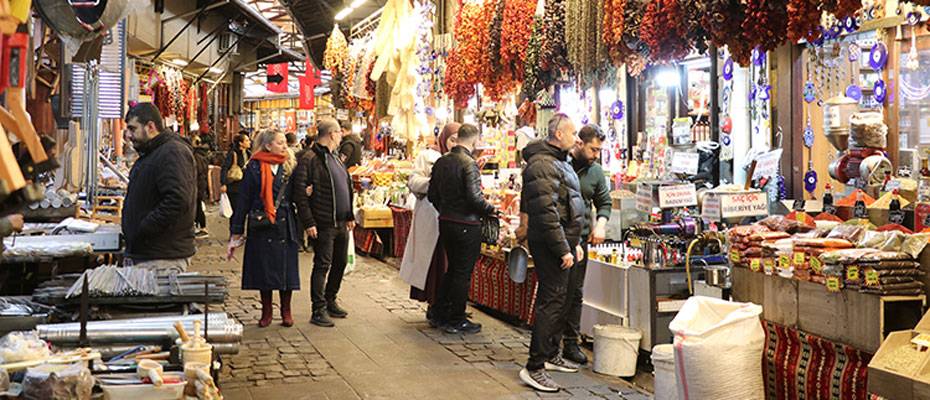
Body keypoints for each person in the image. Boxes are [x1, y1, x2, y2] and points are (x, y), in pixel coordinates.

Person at [518, 113, 586, 392]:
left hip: (565, 242)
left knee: (564, 298)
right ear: (558, 134)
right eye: (572, 133)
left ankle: (551, 355)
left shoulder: (559, 161)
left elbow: (567, 204)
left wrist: (575, 242)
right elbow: (546, 213)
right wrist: (562, 247)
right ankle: (534, 366)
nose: (577, 139)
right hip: (550, 244)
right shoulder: (543, 164)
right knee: (552, 301)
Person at [427, 124, 496, 334]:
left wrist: (446, 210)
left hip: (446, 222)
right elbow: (475, 198)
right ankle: (456, 318)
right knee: (462, 272)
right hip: (467, 224)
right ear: (474, 141)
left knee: (453, 270)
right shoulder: (469, 164)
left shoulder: (442, 161)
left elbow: (432, 195)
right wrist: (491, 209)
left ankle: (440, 312)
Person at [226, 130, 300, 327]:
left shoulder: (290, 166)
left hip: (284, 223)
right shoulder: (253, 167)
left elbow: (297, 195)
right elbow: (244, 200)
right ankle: (266, 311)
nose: (284, 146)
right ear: (268, 146)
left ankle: (286, 310)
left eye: (285, 142)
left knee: (286, 271)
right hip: (262, 223)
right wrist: (237, 229)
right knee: (264, 270)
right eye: (280, 143)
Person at [293, 118, 356, 327]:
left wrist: (349, 215)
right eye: (339, 133)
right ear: (332, 134)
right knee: (322, 264)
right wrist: (308, 221)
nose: (341, 137)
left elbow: (346, 186)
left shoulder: (336, 157)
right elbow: (300, 194)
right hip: (323, 221)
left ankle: (331, 299)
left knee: (341, 262)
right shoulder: (309, 158)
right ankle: (317, 308)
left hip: (341, 222)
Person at [122, 103, 196, 274]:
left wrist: (144, 228)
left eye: (133, 129)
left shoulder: (172, 152)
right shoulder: (153, 152)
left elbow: (177, 200)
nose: (129, 135)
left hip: (161, 256)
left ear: (150, 127)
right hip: (152, 253)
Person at [560, 124, 611, 365]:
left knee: (576, 291)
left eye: (599, 150)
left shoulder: (596, 171)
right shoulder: (561, 164)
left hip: (582, 239)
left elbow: (604, 201)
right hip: (559, 238)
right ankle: (549, 343)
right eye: (593, 149)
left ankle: (571, 342)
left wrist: (600, 225)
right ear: (579, 143)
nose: (596, 155)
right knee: (559, 291)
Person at [403, 123, 459, 320]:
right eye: (452, 139)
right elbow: (413, 181)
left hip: (454, 221)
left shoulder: (462, 159)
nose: (454, 144)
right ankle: (434, 305)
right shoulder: (428, 156)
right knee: (435, 265)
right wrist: (435, 183)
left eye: (458, 140)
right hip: (432, 218)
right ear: (443, 139)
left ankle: (449, 305)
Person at [220, 133, 252, 210]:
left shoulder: (249, 154)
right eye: (247, 140)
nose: (249, 142)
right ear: (241, 143)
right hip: (234, 186)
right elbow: (225, 168)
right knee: (235, 210)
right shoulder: (233, 154)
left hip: (246, 186)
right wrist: (223, 183)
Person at [192, 135, 211, 239]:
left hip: (197, 185)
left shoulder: (196, 157)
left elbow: (197, 172)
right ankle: (201, 227)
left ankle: (201, 227)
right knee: (198, 206)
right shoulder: (203, 156)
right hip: (201, 185)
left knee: (197, 206)